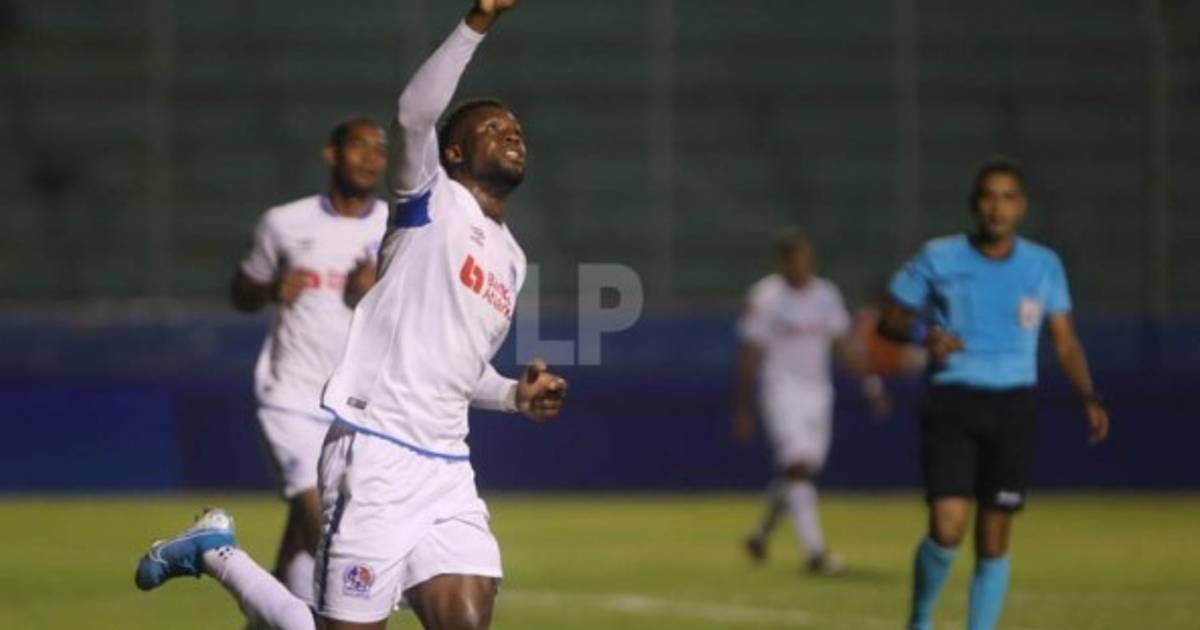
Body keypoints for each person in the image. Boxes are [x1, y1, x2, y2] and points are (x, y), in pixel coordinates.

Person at [135, 2, 566, 629]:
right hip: (375, 453)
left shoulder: (512, 259)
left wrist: (512, 395)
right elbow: (413, 113)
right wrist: (478, 21)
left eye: (517, 128)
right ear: (451, 153)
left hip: (447, 466)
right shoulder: (429, 200)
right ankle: (217, 554)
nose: (512, 134)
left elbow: (457, 366)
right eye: (494, 127)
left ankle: (219, 554)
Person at [877, 156, 1110, 630]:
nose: (996, 207)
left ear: (1022, 207)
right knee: (947, 526)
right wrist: (925, 336)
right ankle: (920, 618)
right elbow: (890, 319)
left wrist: (1088, 396)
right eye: (988, 197)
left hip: (1013, 407)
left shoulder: (1043, 265)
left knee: (995, 532)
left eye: (1007, 198)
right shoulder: (940, 256)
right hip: (953, 401)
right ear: (973, 204)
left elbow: (1065, 340)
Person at [231, 117, 388, 609]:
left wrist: (376, 292)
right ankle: (348, 615)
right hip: (291, 396)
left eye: (379, 150)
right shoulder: (284, 223)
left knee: (306, 535)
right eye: (359, 146)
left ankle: (266, 616)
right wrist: (269, 290)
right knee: (327, 526)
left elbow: (415, 313)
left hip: (355, 404)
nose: (370, 158)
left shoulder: (395, 230)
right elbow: (241, 291)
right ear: (332, 154)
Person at [734, 229, 890, 574]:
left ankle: (760, 535)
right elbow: (750, 351)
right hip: (780, 390)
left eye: (807, 258)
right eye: (795, 259)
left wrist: (871, 384)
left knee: (801, 473)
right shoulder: (766, 297)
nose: (802, 265)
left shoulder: (826, 295)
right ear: (783, 262)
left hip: (818, 393)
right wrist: (743, 406)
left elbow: (842, 345)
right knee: (798, 466)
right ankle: (815, 554)